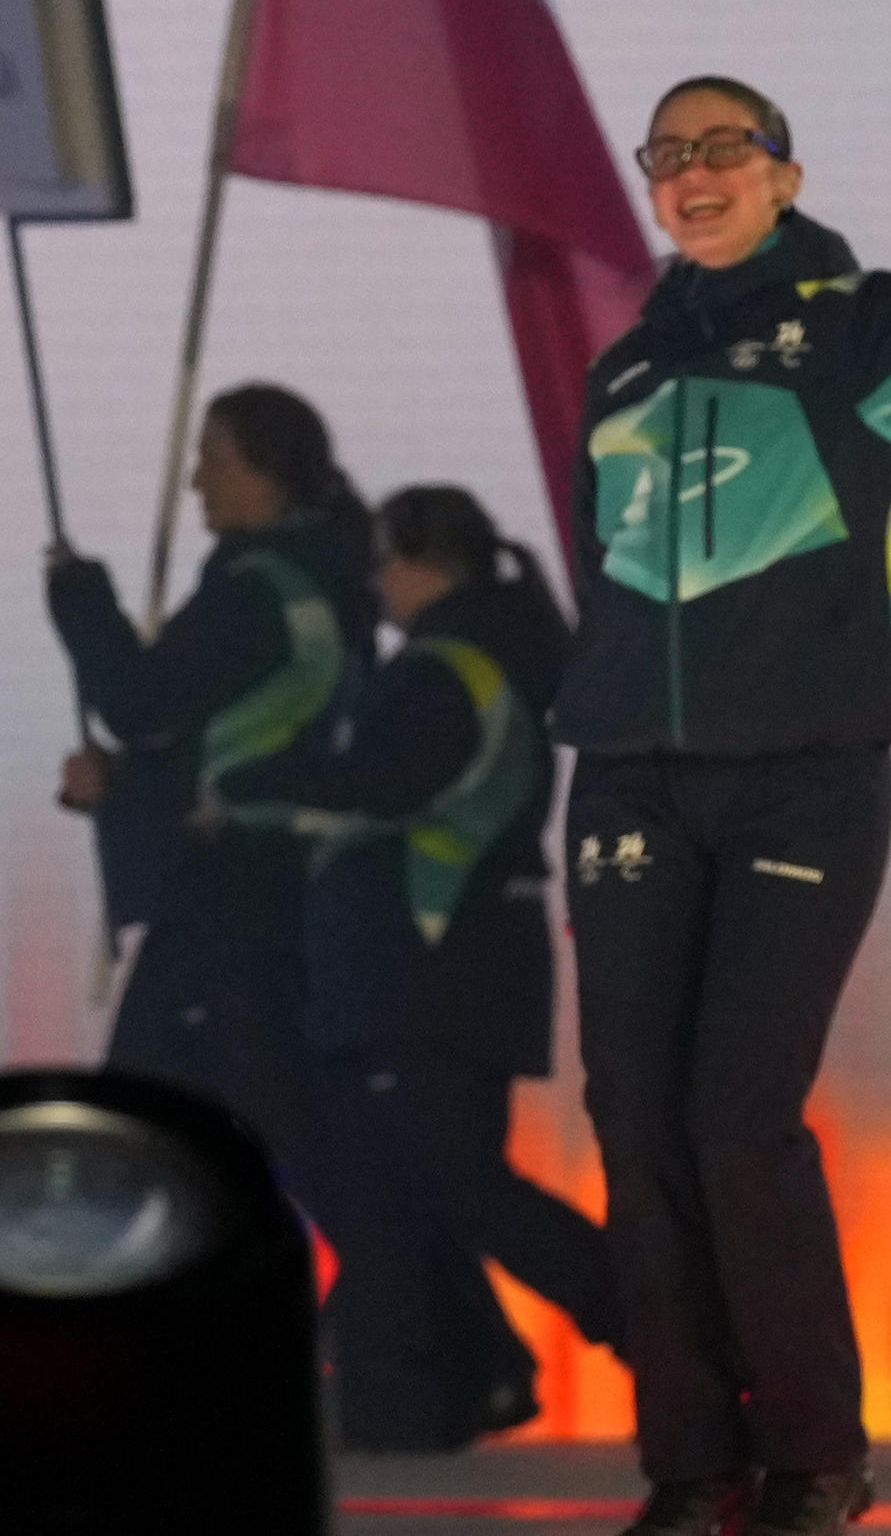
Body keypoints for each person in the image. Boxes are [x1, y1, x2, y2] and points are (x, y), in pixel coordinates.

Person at [554, 0, 891, 1536]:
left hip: (805, 775)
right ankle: (691, 1465)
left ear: (786, 174)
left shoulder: (864, 334)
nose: (694, 171)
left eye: (727, 145)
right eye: (668, 153)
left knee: (738, 1118)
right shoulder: (623, 373)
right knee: (636, 1121)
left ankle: (815, 1459)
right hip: (630, 780)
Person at [236, 483, 612, 1449]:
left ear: (424, 561)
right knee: (396, 1189)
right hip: (444, 971)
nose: (373, 584)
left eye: (382, 562)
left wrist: (255, 782)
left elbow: (386, 785)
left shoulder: (448, 670)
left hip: (428, 968)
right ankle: (400, 1400)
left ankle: (657, 1323)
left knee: (452, 1181)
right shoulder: (493, 656)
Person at [45, 383, 378, 1226]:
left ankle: (406, 1286)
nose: (196, 480)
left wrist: (81, 598)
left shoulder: (256, 587)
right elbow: (256, 734)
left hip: (229, 895)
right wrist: (126, 783)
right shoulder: (333, 586)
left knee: (148, 1123)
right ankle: (405, 1289)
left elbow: (140, 701)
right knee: (266, 1122)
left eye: (212, 459)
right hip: (294, 888)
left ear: (265, 473)